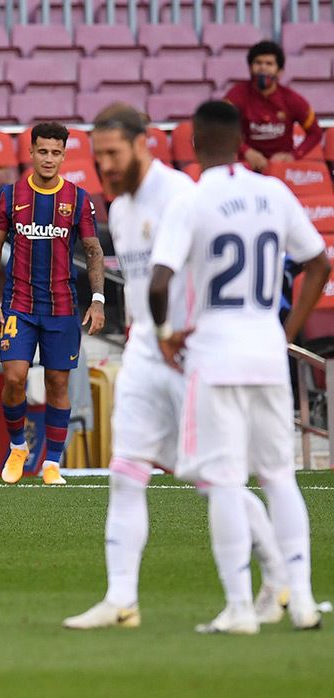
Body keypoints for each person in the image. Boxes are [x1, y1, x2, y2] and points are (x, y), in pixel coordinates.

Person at [64, 103, 291, 630]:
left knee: (212, 478)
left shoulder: (182, 197)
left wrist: (190, 333)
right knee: (126, 470)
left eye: (113, 153)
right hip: (145, 346)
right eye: (98, 156)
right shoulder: (119, 206)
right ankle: (121, 600)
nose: (105, 165)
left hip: (188, 351)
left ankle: (277, 577)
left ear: (144, 143)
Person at [148, 100, 329, 634]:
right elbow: (319, 263)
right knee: (279, 477)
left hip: (214, 353)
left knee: (225, 480)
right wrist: (286, 333)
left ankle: (239, 609)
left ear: (195, 142)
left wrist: (163, 337)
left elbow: (159, 284)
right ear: (240, 137)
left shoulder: (193, 198)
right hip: (267, 351)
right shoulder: (274, 191)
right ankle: (302, 602)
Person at [0, 121, 106, 487]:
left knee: (56, 382)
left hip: (62, 306)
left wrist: (98, 300)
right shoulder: (9, 196)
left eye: (56, 152)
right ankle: (18, 446)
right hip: (19, 303)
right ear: (31, 152)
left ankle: (52, 463)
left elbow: (93, 250)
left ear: (63, 155)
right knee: (15, 378)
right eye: (42, 151)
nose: (48, 158)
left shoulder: (78, 199)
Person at [223, 40, 323, 172]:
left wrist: (293, 156)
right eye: (258, 63)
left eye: (269, 64)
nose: (263, 68)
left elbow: (315, 133)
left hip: (282, 169)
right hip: (247, 167)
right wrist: (245, 151)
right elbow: (221, 127)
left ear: (280, 71)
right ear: (250, 68)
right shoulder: (236, 95)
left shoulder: (292, 99)